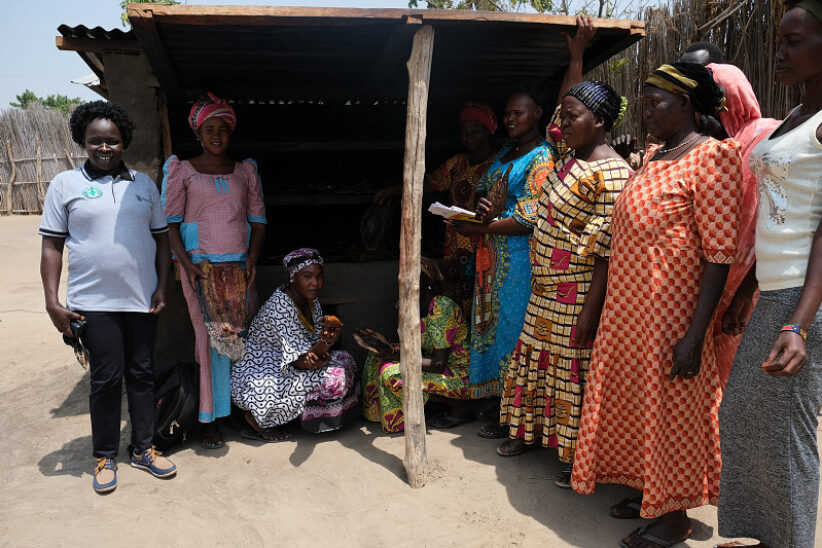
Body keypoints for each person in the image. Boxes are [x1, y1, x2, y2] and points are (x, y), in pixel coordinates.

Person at [570, 63, 743, 547]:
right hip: (631, 311)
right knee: (635, 404)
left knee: (671, 413)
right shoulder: (655, 157)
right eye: (643, 101)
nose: (645, 109)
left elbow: (718, 256)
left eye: (656, 101)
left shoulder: (712, 158)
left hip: (671, 316)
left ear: (687, 105)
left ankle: (673, 518)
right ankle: (651, 492)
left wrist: (693, 335)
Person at [496, 17, 632, 490]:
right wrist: (576, 58)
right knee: (535, 361)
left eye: (572, 117)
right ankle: (531, 434)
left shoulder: (612, 175)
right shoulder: (569, 159)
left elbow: (607, 255)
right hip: (545, 293)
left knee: (571, 374)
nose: (561, 123)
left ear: (599, 122)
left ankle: (575, 456)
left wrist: (590, 312)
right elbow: (565, 109)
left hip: (577, 297)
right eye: (562, 116)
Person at [716, 2, 822, 546]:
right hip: (776, 292)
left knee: (787, 435)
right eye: (779, 40)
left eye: (794, 41)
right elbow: (776, 214)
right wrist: (747, 293)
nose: (780, 52)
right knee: (743, 423)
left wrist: (799, 324)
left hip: (806, 299)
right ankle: (758, 537)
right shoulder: (796, 116)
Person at [39, 101, 176, 493]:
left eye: (112, 141)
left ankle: (144, 448)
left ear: (124, 142)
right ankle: (105, 455)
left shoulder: (143, 185)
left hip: (140, 299)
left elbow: (161, 238)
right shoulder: (64, 185)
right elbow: (52, 246)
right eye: (95, 141)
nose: (104, 148)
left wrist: (162, 286)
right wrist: (52, 301)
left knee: (142, 374)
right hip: (92, 302)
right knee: (105, 378)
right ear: (83, 141)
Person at [162, 92, 267, 450]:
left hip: (239, 269)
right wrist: (186, 264)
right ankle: (209, 418)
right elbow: (170, 225)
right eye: (210, 129)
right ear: (198, 132)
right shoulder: (183, 171)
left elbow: (258, 221)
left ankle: (240, 409)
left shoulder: (245, 171)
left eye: (223, 128)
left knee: (239, 339)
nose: (217, 135)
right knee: (208, 341)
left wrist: (252, 259)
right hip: (201, 270)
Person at [448, 89, 556, 429]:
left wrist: (484, 223)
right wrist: (481, 206)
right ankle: (497, 404)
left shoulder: (541, 157)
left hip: (519, 263)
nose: (510, 119)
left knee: (513, 332)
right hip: (489, 259)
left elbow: (528, 218)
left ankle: (517, 415)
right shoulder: (506, 153)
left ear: (538, 113)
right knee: (491, 330)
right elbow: (484, 188)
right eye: (507, 113)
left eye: (518, 113)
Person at [376, 103, 498, 319]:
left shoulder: (499, 164)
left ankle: (474, 347)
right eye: (464, 132)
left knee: (479, 293)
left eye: (475, 131)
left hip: (482, 241)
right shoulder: (458, 162)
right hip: (453, 240)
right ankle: (453, 343)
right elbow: (428, 183)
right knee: (452, 294)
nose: (468, 137)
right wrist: (394, 190)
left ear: (488, 131)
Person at [230, 248, 359, 441]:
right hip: (260, 377)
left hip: (290, 365)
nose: (315, 283)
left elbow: (311, 350)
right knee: (332, 379)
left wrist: (325, 342)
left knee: (345, 360)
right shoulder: (280, 306)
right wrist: (325, 343)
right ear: (292, 277)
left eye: (319, 276)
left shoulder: (310, 301)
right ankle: (260, 418)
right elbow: (300, 362)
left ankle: (298, 416)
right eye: (307, 276)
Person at [706, 63, 781, 386]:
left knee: (745, 384)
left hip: (757, 288)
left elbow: (777, 223)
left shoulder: (768, 137)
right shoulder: (718, 146)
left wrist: (742, 292)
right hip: (717, 287)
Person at [362, 258, 472, 432]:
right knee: (374, 358)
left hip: (457, 374)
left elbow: (437, 364)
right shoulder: (404, 306)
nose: (405, 283)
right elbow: (412, 347)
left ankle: (458, 405)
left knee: (391, 373)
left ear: (428, 282)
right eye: (402, 278)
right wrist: (385, 345)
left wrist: (396, 355)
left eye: (413, 278)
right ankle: (384, 415)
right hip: (429, 363)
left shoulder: (441, 307)